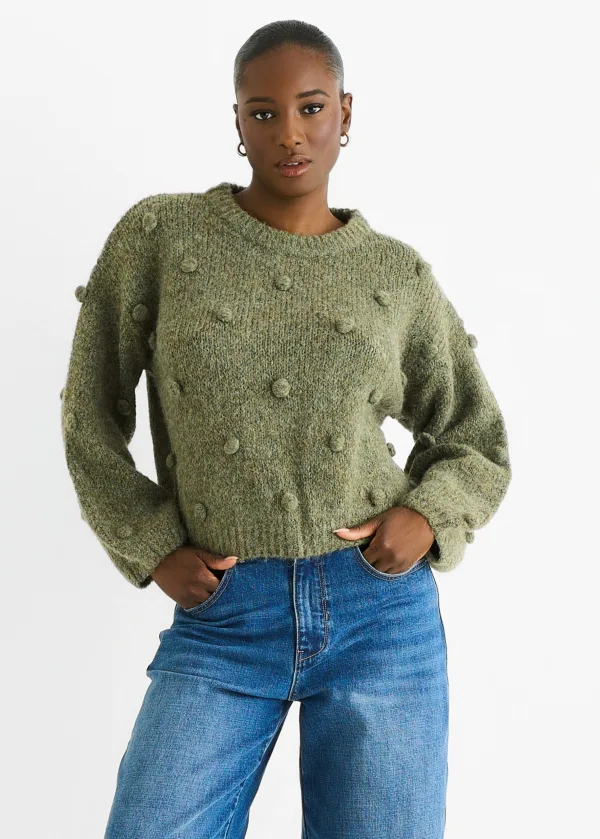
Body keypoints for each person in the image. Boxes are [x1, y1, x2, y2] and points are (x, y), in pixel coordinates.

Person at [60, 19, 512, 839]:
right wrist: (151, 542)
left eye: (310, 107)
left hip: (380, 611)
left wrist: (428, 515)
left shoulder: (394, 273)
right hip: (225, 614)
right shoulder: (162, 237)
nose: (290, 134)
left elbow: (474, 433)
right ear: (236, 121)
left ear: (346, 111)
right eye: (263, 113)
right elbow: (88, 409)